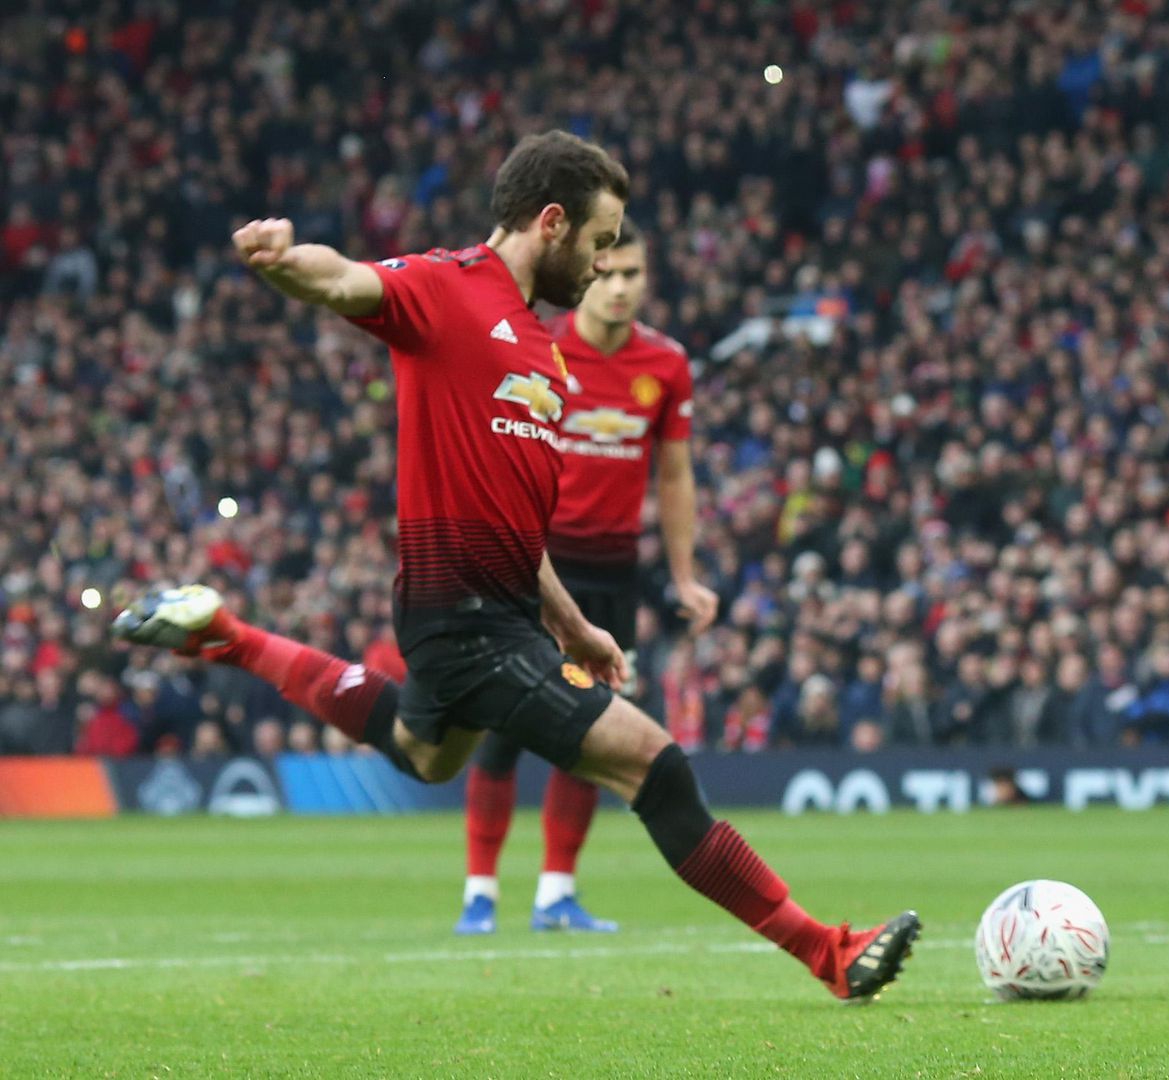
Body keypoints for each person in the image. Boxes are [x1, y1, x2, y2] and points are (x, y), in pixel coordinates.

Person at [114, 130, 918, 1002]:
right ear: (551, 222)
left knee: (425, 756)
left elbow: (519, 527)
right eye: (601, 240)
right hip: (466, 620)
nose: (606, 262)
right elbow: (346, 277)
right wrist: (280, 261)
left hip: (490, 614)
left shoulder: (543, 351)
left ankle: (226, 634)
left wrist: (573, 626)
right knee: (655, 766)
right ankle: (827, 951)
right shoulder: (446, 289)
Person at [457, 224, 721, 937]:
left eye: (633, 272)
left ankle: (555, 894)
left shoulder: (665, 364)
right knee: (504, 731)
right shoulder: (539, 347)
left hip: (613, 575)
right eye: (608, 272)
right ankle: (479, 892)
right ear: (587, 275)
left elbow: (674, 474)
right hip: (533, 567)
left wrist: (684, 575)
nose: (621, 286)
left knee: (590, 734)